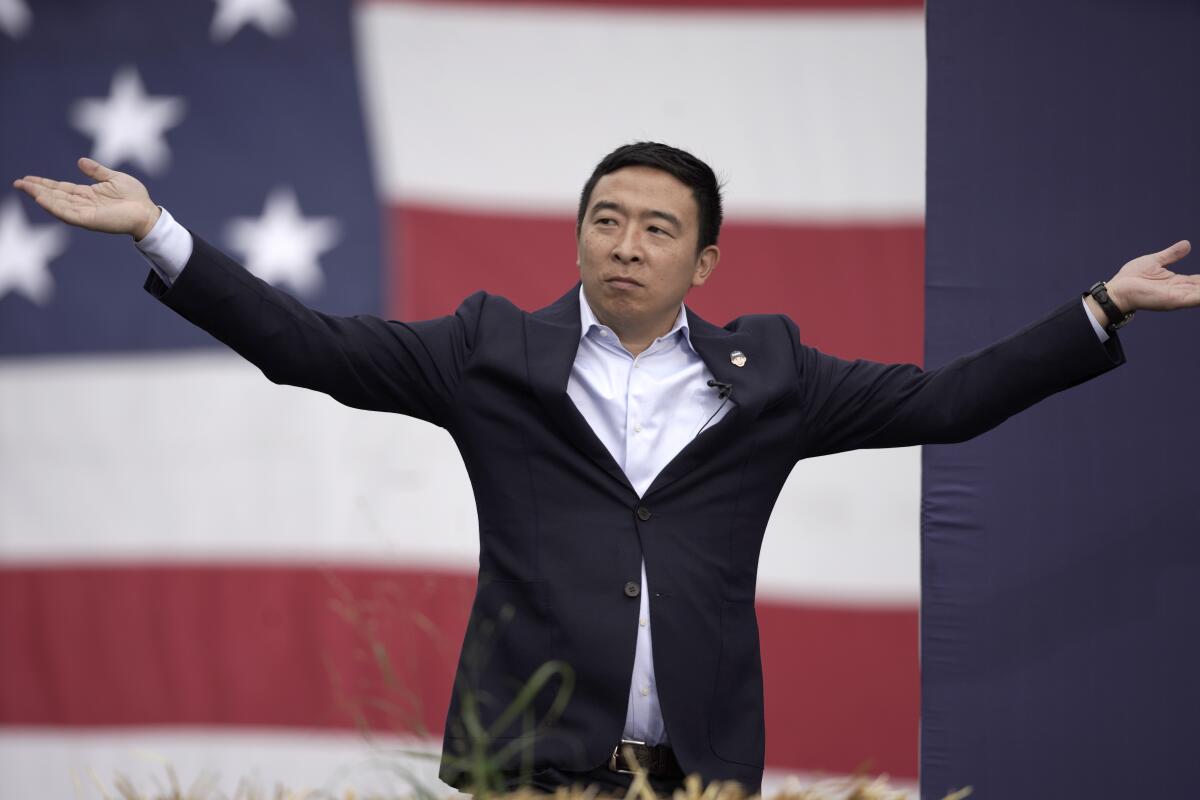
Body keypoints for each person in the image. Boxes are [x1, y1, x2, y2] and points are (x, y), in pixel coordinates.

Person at [13, 143, 1200, 795]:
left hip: (699, 775)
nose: (625, 244)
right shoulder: (490, 347)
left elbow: (948, 401)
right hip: (525, 765)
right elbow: (306, 348)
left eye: (656, 227)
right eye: (605, 218)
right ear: (578, 231)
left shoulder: (772, 371)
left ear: (705, 259)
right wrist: (159, 233)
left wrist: (1102, 306)